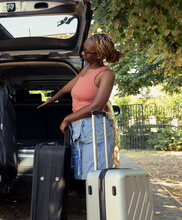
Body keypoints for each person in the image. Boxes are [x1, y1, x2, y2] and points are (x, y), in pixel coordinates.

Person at [38, 33, 121, 181]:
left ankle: (100, 204)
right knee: (84, 175)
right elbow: (65, 89)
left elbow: (97, 105)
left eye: (86, 51)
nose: (82, 53)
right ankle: (91, 203)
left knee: (96, 177)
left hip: (96, 129)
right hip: (79, 128)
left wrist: (66, 119)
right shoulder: (85, 70)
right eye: (83, 49)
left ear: (99, 55)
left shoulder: (106, 74)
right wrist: (50, 100)